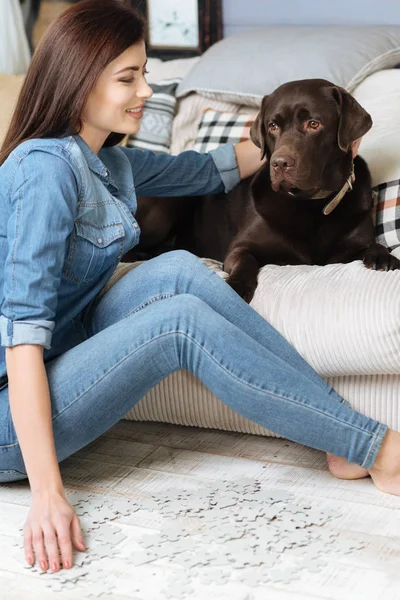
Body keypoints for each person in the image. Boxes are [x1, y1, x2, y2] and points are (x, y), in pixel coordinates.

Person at [0, 0, 399, 576]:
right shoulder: (44, 170)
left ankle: (338, 437)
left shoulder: (109, 163)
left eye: (146, 73)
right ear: (78, 80)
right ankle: (375, 449)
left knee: (182, 270)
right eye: (129, 76)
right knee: (177, 322)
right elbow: (21, 340)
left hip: (66, 352)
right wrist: (47, 494)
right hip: (8, 415)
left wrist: (324, 142)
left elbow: (212, 168)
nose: (146, 89)